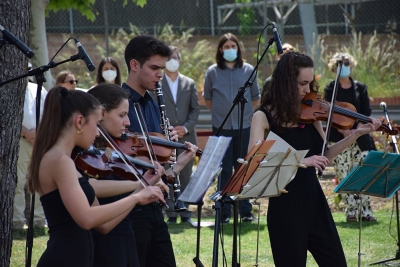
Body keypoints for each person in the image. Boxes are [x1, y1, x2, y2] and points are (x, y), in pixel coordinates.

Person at [249, 52, 381, 266]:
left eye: (310, 83)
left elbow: (325, 154)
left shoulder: (310, 114)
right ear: (286, 82)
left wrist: (357, 133)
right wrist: (302, 161)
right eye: (302, 83)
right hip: (285, 207)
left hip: (315, 201)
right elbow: (255, 160)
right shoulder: (262, 117)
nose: (308, 90)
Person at [27, 86, 165, 266]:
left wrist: (140, 190)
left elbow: (104, 226)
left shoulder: (62, 160)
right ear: (79, 122)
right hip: (65, 258)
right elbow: (86, 218)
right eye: (96, 123)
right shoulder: (61, 161)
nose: (98, 132)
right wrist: (137, 196)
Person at [122, 35, 199, 267]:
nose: (160, 74)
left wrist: (176, 161)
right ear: (134, 65)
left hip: (155, 206)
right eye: (154, 68)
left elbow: (158, 170)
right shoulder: (118, 104)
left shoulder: (154, 103)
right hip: (129, 209)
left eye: (162, 68)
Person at [87, 83, 167, 267]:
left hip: (125, 235)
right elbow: (88, 187)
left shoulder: (112, 152)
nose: (128, 123)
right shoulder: (86, 154)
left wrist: (145, 184)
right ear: (102, 114)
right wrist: (140, 186)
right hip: (104, 246)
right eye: (122, 115)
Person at [203, 32, 259, 223]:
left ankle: (245, 211)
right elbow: (208, 98)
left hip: (244, 126)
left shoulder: (249, 70)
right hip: (221, 127)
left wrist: (245, 117)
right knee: (224, 170)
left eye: (233, 46)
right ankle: (224, 212)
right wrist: (221, 115)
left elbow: (256, 98)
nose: (230, 50)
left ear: (238, 48)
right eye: (226, 47)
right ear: (220, 50)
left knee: (243, 168)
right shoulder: (212, 72)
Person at [324, 52, 377, 222]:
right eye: (340, 63)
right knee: (344, 174)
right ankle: (351, 212)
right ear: (334, 67)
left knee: (363, 173)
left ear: (351, 65)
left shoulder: (360, 87)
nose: (343, 65)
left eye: (346, 62)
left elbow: (366, 112)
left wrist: (358, 130)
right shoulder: (330, 88)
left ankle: (366, 211)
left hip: (361, 138)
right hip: (340, 138)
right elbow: (329, 113)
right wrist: (344, 131)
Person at [150, 45, 200, 224]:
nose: (172, 60)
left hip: (186, 137)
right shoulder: (157, 82)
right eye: (169, 58)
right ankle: (170, 211)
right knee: (169, 171)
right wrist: (168, 130)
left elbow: (195, 110)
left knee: (186, 173)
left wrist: (185, 128)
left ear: (180, 60)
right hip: (166, 138)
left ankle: (185, 211)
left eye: (175, 57)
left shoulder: (189, 82)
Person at [13, 63, 47, 230]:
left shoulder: (38, 89)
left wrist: (38, 132)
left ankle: (39, 221)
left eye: (28, 69)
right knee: (18, 182)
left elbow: (49, 113)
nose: (26, 72)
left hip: (39, 141)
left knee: (39, 181)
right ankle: (17, 221)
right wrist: (25, 131)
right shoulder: (11, 89)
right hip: (19, 140)